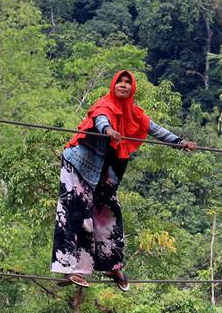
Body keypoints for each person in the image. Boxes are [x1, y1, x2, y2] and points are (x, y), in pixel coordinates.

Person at [51, 70, 197, 290]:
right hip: (79, 165)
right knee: (79, 214)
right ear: (113, 85)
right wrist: (109, 130)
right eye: (120, 81)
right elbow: (101, 120)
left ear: (133, 88)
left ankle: (112, 265)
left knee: (110, 214)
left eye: (128, 82)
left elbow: (154, 129)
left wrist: (180, 142)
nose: (124, 85)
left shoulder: (134, 114)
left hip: (104, 173)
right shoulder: (104, 105)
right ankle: (76, 271)